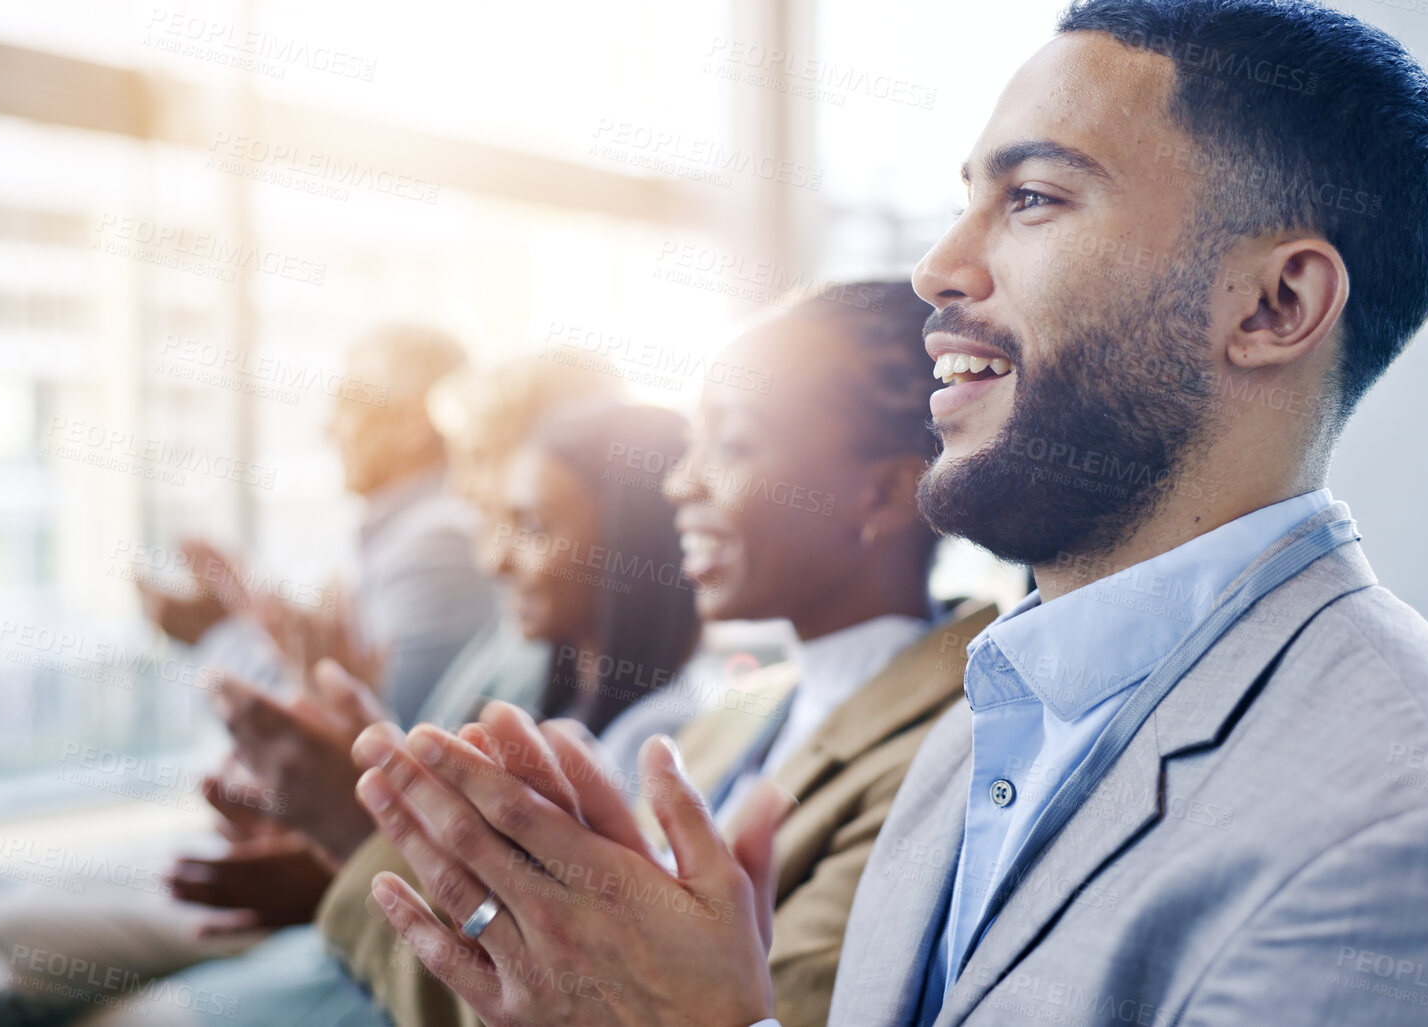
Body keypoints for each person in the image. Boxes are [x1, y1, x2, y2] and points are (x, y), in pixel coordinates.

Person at [346, 3, 1428, 1026]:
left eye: (1034, 196)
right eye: (965, 196)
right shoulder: (989, 720)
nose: (937, 267)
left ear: (1272, 306)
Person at [341, 281, 998, 1027]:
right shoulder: (749, 698)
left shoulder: (959, 747)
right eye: (692, 442)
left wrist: (356, 830)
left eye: (735, 443)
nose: (681, 482)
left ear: (882, 495)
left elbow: (730, 1007)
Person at [68, 399, 702, 1026]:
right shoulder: (541, 680)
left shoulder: (661, 740)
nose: (493, 559)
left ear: (631, 548)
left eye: (532, 528)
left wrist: (355, 833)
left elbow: (542, 948)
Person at [136, 323, 494, 725]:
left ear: (411, 425)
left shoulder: (439, 545)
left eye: (347, 405)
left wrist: (218, 633)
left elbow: (356, 740)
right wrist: (259, 615)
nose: (327, 429)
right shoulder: (410, 537)